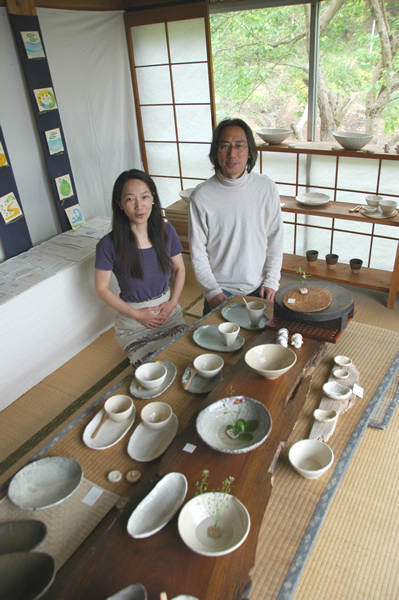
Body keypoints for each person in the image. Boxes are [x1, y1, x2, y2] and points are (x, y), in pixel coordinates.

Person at [188, 118, 284, 314]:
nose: (232, 154)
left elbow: (275, 238)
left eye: (239, 146)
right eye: (225, 146)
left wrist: (272, 280)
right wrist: (212, 291)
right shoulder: (201, 196)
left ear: (249, 152)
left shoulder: (266, 188)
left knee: (263, 344)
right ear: (216, 152)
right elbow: (197, 252)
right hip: (219, 292)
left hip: (260, 289)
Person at [95, 169, 187, 366]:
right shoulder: (108, 244)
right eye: (130, 199)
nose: (139, 205)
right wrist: (137, 314)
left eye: (144, 197)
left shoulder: (166, 230)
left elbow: (179, 268)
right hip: (133, 322)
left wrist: (172, 303)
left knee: (185, 359)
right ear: (119, 204)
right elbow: (101, 288)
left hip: (168, 314)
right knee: (153, 372)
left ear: (153, 198)